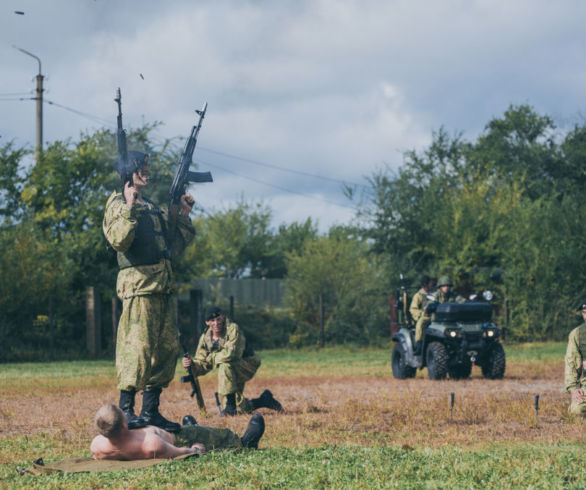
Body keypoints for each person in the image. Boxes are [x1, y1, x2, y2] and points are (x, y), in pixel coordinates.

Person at [103, 151, 195, 433]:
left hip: (162, 286)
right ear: (130, 171)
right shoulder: (118, 203)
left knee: (166, 348)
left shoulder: (153, 207)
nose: (147, 171)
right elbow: (118, 239)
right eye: (142, 167)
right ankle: (127, 410)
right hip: (139, 286)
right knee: (137, 347)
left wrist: (182, 215)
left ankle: (151, 410)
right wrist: (129, 207)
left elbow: (174, 247)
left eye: (147, 167)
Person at [183, 306, 283, 416]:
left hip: (247, 363)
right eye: (212, 320)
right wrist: (191, 364)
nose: (216, 323)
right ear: (207, 322)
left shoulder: (232, 329)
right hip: (230, 370)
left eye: (218, 319)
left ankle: (230, 408)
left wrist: (211, 358)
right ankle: (264, 400)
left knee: (225, 364)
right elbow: (202, 363)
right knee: (240, 408)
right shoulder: (205, 339)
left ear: (223, 317)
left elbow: (232, 354)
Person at [90, 404, 265, 460]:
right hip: (178, 439)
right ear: (123, 426)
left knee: (190, 423)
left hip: (160, 432)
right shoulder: (151, 445)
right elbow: (179, 452)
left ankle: (193, 425)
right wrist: (194, 449)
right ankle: (246, 442)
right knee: (212, 434)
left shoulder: (97, 445)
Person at [565, 298, 586, 416]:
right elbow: (571, 364)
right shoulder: (577, 334)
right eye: (584, 312)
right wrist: (573, 389)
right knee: (576, 410)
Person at [410, 275, 434, 355]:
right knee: (420, 324)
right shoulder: (418, 296)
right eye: (430, 283)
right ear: (426, 284)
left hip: (435, 316)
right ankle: (419, 345)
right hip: (425, 316)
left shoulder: (434, 294)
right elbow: (413, 309)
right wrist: (422, 314)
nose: (432, 284)